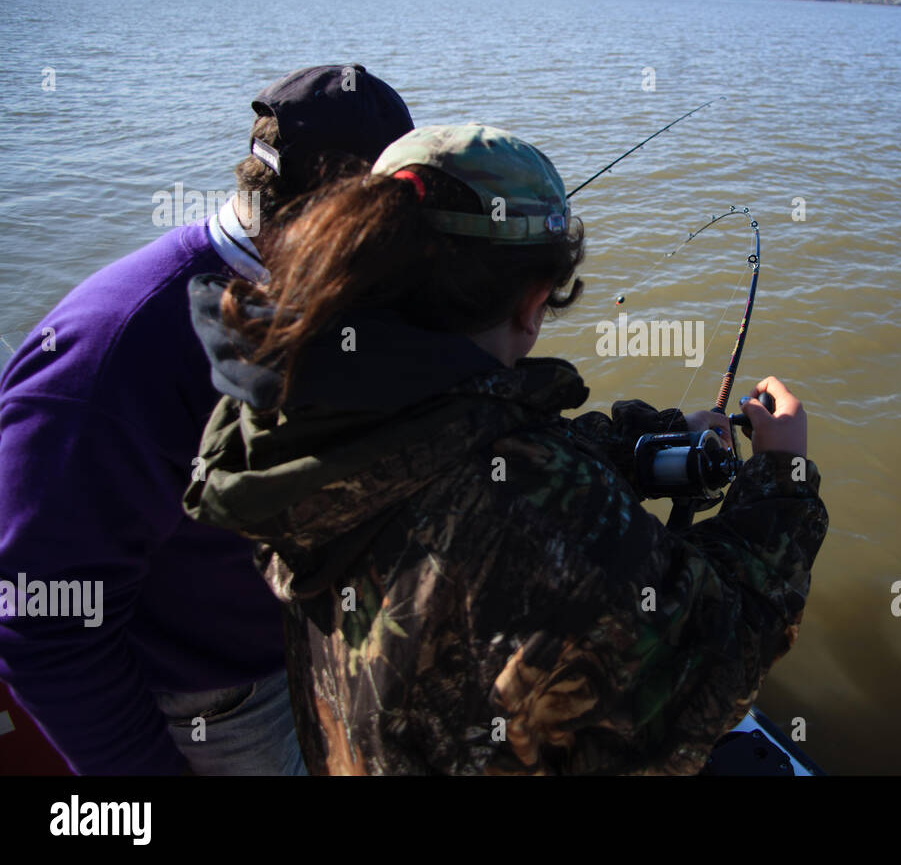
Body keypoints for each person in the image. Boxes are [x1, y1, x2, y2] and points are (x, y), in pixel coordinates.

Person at [183, 124, 829, 775]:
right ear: (532, 300)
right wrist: (782, 479)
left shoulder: (293, 410)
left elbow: (457, 450)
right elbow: (708, 679)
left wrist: (649, 442)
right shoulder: (541, 513)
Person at [0, 64, 414, 774]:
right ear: (334, 213)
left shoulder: (316, 291)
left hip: (302, 648)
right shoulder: (109, 355)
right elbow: (40, 619)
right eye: (383, 225)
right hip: (211, 708)